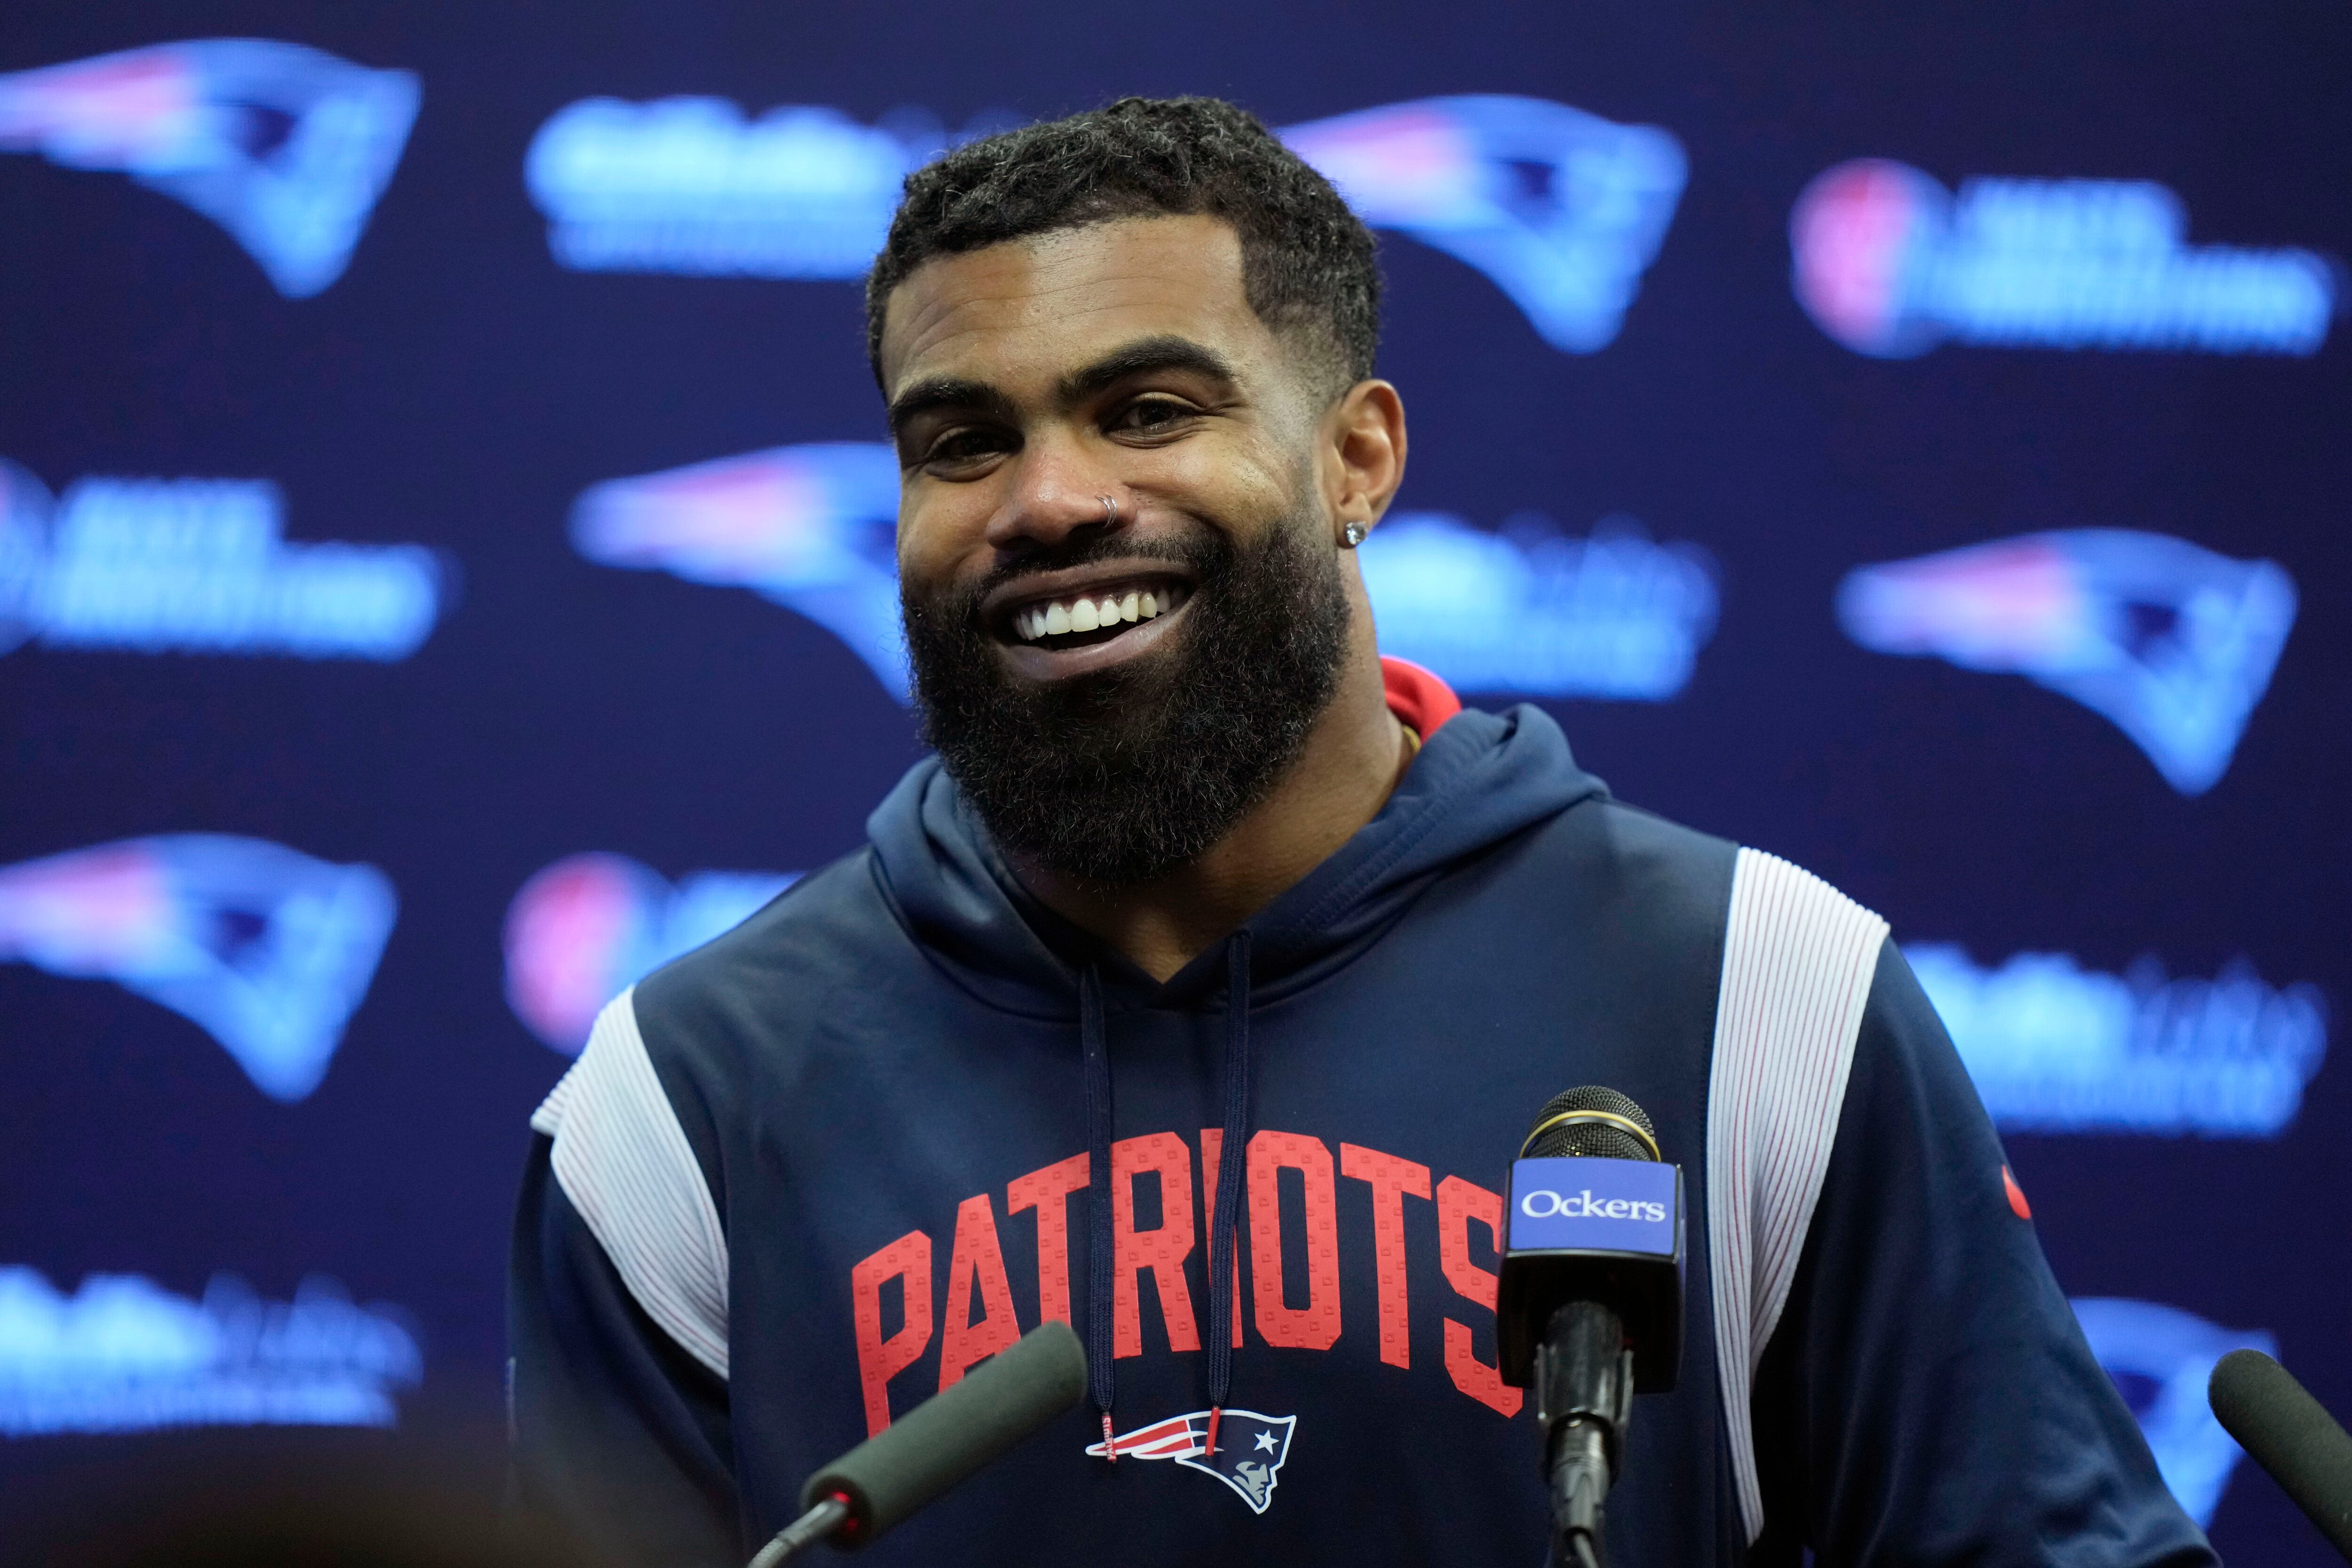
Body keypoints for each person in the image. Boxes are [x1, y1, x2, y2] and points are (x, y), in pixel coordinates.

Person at [509, 96, 2214, 1567]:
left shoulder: (1760, 1002)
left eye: (1149, 411)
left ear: (1359, 459)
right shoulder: (683, 1103)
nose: (1046, 502)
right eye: (964, 443)